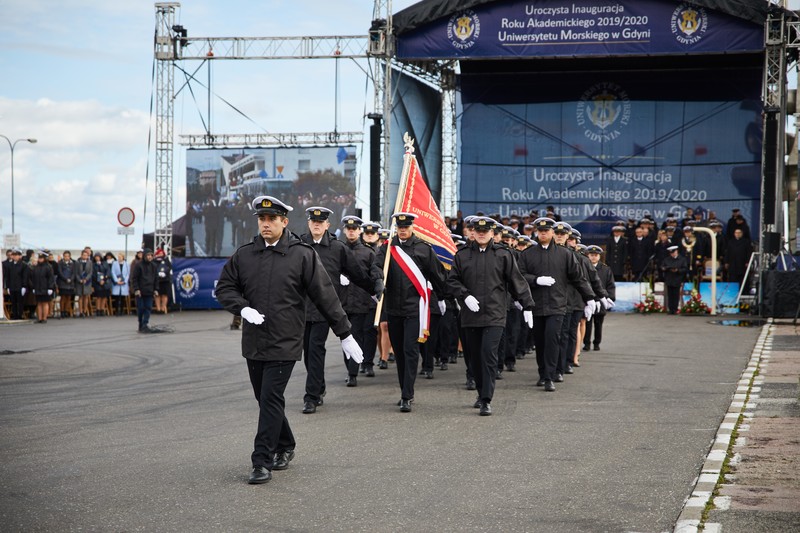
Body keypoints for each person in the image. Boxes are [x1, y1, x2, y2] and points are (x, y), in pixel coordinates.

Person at [215, 195, 363, 484]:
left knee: (270, 397)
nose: (266, 224)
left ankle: (261, 462)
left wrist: (344, 333)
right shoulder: (245, 255)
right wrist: (242, 307)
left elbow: (325, 295)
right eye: (262, 219)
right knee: (264, 398)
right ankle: (286, 444)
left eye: (272, 219)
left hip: (285, 340)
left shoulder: (302, 254)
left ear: (284, 221)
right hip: (254, 341)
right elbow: (225, 287)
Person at [447, 216, 534, 415]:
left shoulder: (503, 254)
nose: (481, 234)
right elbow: (452, 281)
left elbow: (516, 280)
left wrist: (527, 304)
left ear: (492, 233)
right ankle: (480, 392)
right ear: (472, 232)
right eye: (477, 231)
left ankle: (486, 399)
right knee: (475, 358)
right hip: (471, 315)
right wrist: (465, 295)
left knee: (488, 354)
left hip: (495, 314)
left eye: (485, 231)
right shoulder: (462, 255)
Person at [300, 207, 377, 413]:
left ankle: (311, 396)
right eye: (313, 222)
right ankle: (319, 386)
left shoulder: (337, 248)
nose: (316, 225)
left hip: (326, 308)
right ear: (309, 224)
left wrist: (374, 288)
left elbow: (357, 273)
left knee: (316, 348)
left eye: (321, 222)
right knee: (308, 352)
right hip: (302, 307)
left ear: (327, 225)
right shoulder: (299, 246)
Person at [375, 212, 448, 412]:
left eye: (406, 227)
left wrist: (442, 297)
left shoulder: (423, 249)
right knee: (399, 352)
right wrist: (378, 282)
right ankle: (403, 389)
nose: (403, 230)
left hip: (415, 308)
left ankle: (407, 394)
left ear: (412, 227)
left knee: (410, 350)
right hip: (393, 308)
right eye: (400, 227)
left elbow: (438, 274)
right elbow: (375, 267)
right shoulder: (388, 249)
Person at [517, 218, 595, 392]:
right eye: (540, 230)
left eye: (546, 230)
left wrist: (589, 297)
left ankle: (549, 376)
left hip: (557, 305)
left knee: (553, 339)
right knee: (540, 341)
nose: (543, 233)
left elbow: (578, 277)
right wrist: (536, 280)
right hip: (536, 305)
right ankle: (542, 372)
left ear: (552, 232)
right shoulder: (528, 254)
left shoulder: (565, 254)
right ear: (536, 232)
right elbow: (519, 276)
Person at [339, 216, 383, 379]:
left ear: (359, 231)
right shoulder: (339, 249)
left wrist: (376, 286)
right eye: (348, 229)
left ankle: (354, 371)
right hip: (342, 302)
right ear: (345, 230)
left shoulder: (368, 252)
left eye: (354, 229)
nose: (351, 231)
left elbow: (375, 272)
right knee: (344, 336)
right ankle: (351, 368)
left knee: (360, 334)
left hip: (361, 301)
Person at [584, 245, 616, 351]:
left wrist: (609, 297)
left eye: (596, 255)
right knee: (587, 323)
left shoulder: (606, 269)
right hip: (588, 299)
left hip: (601, 299)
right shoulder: (584, 267)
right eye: (591, 255)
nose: (593, 257)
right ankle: (586, 343)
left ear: (599, 256)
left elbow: (610, 285)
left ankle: (597, 343)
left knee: (598, 323)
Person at [131, 248, 159, 332]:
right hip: (140, 291)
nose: (150, 257)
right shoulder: (138, 265)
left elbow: (156, 279)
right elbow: (134, 278)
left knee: (148, 307)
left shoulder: (154, 265)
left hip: (149, 290)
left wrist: (156, 289)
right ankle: (140, 323)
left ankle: (145, 323)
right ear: (145, 256)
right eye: (148, 255)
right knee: (141, 308)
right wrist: (136, 289)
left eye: (151, 255)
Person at [3, 249, 29, 320]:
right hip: (12, 286)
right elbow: (8, 276)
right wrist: (7, 286)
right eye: (13, 255)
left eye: (15, 255)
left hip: (20, 286)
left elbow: (25, 276)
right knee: (13, 302)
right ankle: (15, 315)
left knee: (20, 302)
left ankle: (20, 315)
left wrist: (24, 286)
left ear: (20, 256)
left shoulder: (24, 265)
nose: (14, 257)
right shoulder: (10, 265)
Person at [661, 245, 688, 314]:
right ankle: (670, 309)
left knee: (676, 295)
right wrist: (664, 268)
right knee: (670, 295)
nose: (672, 254)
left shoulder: (682, 259)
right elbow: (662, 266)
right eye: (671, 253)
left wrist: (677, 270)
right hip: (669, 278)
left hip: (677, 278)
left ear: (676, 251)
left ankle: (675, 309)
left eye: (673, 252)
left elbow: (685, 268)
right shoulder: (667, 259)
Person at [30, 252, 56, 323]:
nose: (40, 259)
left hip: (45, 288)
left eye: (41, 258)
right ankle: (40, 318)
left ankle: (44, 318)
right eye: (39, 258)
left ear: (44, 259)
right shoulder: (36, 267)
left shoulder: (48, 267)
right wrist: (33, 287)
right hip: (38, 288)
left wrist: (50, 288)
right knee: (39, 303)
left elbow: (51, 278)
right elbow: (33, 278)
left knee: (45, 303)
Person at [56, 251, 77, 317]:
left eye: (68, 256)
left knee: (68, 298)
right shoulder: (60, 263)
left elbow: (74, 273)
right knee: (63, 298)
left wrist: (71, 279)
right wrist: (65, 279)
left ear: (70, 256)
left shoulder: (73, 263)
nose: (66, 257)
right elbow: (60, 272)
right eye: (65, 256)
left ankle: (66, 311)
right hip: (63, 282)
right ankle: (62, 311)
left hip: (70, 283)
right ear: (63, 256)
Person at [75, 249, 93, 317]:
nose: (85, 256)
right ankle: (80, 311)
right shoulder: (77, 262)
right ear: (81, 255)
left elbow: (90, 272)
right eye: (84, 255)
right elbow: (76, 273)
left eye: (86, 255)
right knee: (80, 297)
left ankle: (85, 311)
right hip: (79, 282)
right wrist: (80, 280)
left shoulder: (90, 262)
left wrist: (86, 279)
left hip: (87, 282)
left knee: (86, 296)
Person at [153, 249, 172, 314]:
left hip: (165, 280)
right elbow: (152, 268)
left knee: (164, 294)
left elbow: (169, 267)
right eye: (159, 253)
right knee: (157, 294)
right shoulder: (154, 260)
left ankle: (163, 307)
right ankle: (158, 309)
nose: (161, 254)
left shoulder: (166, 260)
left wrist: (165, 273)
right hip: (157, 280)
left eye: (162, 253)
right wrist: (157, 273)